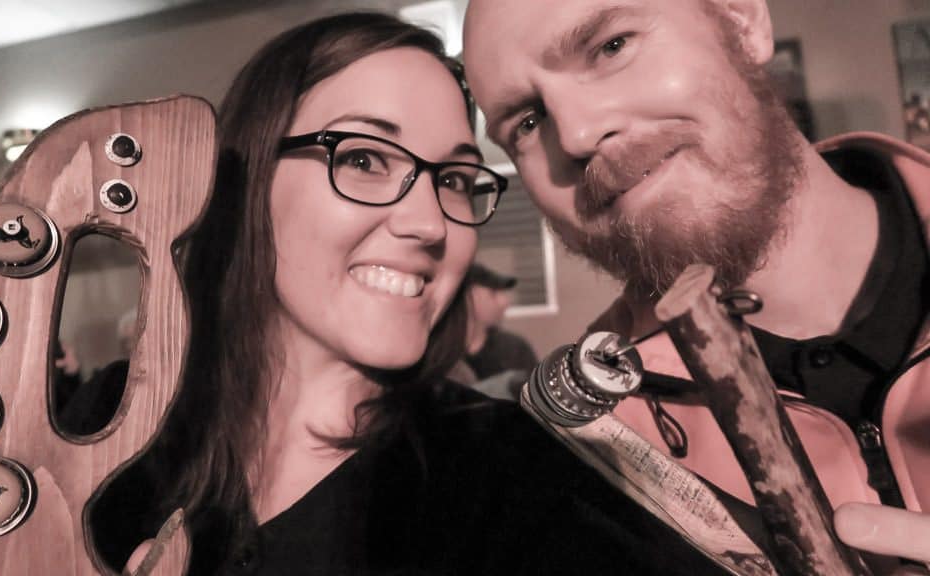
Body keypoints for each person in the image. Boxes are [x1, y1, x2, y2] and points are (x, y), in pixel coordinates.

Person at [75, 11, 734, 576]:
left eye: (454, 177)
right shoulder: (98, 426)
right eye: (364, 158)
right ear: (247, 181)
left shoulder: (515, 480)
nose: (428, 222)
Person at [462, 0, 930, 572]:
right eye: (528, 123)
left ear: (741, 19)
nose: (579, 134)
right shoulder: (587, 456)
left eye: (611, 47)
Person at [452, 262, 537, 400]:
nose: (505, 302)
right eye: (493, 293)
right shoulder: (438, 356)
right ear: (466, 296)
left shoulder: (514, 348)